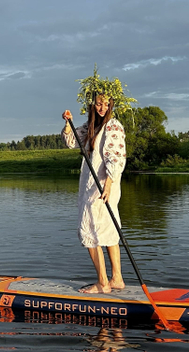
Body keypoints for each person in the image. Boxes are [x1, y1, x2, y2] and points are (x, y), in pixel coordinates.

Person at [62, 93, 127, 294]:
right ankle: (116, 279)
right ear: (93, 105)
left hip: (101, 188)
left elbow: (116, 156)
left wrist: (108, 184)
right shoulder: (92, 126)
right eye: (99, 104)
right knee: (107, 229)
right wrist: (68, 123)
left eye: (107, 104)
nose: (103, 108)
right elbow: (72, 141)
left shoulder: (113, 126)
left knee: (90, 230)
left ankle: (103, 283)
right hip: (94, 186)